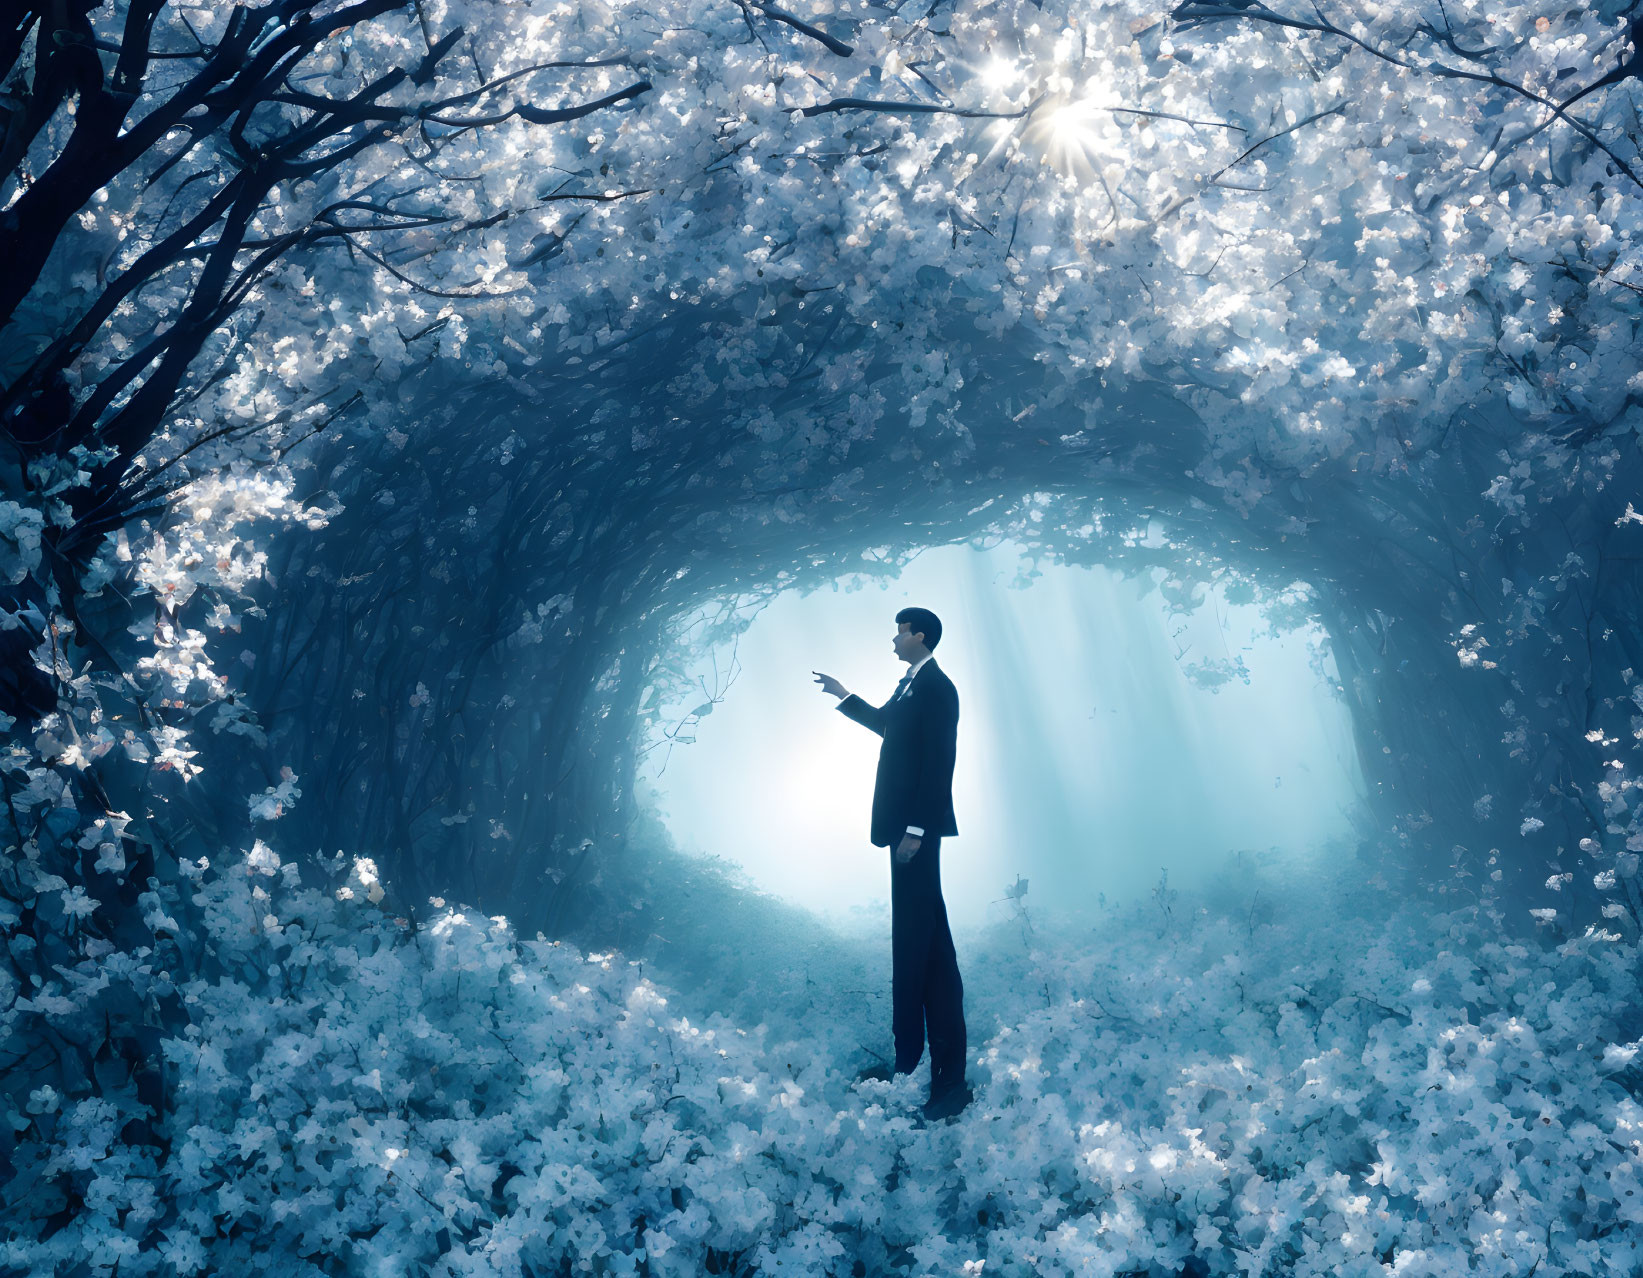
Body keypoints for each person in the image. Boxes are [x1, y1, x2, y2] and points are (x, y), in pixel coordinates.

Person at [812, 607, 971, 1122]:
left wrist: (920, 830)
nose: (894, 639)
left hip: (913, 834)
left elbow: (939, 762)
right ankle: (919, 1066)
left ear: (919, 636)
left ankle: (937, 1077)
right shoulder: (909, 686)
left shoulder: (938, 688)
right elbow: (887, 727)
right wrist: (844, 695)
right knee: (927, 948)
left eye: (900, 631)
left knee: (920, 950)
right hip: (903, 829)